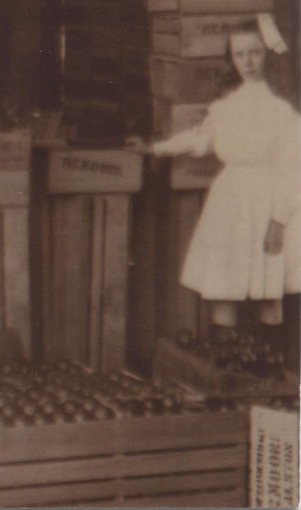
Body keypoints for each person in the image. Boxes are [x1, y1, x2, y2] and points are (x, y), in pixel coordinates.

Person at [128, 17, 301, 346]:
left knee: (269, 292)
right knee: (224, 285)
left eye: (255, 53)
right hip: (231, 201)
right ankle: (226, 362)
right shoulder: (226, 107)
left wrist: (279, 221)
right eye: (239, 54)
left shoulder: (283, 111)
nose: (248, 62)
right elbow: (198, 140)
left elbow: (295, 170)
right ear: (231, 59)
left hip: (269, 203)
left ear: (269, 55)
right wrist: (154, 147)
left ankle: (267, 366)